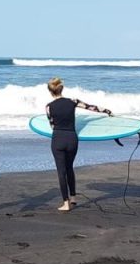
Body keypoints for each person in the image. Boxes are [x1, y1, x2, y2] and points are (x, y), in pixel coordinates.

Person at [45, 77, 112, 212]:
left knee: (61, 172)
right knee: (69, 168)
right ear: (61, 89)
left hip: (58, 139)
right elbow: (91, 107)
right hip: (72, 139)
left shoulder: (48, 107)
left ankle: (66, 203)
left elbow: (52, 124)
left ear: (51, 91)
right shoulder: (73, 102)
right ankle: (73, 198)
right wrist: (107, 111)